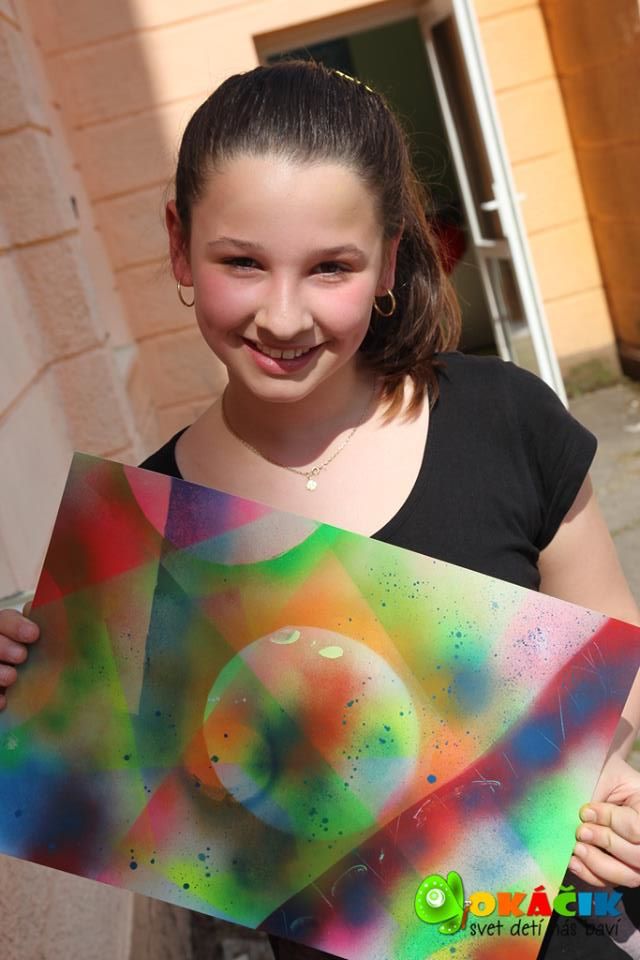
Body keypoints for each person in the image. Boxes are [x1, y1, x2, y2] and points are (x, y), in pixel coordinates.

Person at [1, 60, 639, 959]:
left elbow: (611, 632)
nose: (284, 317)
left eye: (331, 267)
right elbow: (159, 796)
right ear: (180, 245)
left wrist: (608, 771)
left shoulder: (505, 419)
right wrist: (38, 690)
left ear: (389, 259)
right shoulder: (143, 539)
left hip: (558, 921)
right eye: (242, 262)